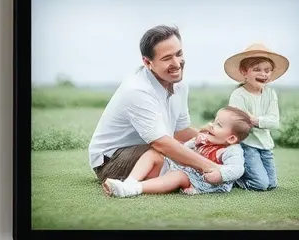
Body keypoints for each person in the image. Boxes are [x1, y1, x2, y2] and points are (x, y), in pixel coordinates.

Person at [88, 25, 218, 186]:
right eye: (167, 58)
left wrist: (215, 141)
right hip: (112, 160)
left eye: (179, 54)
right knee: (168, 156)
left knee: (195, 152)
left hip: (148, 149)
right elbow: (161, 143)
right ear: (147, 62)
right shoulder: (137, 90)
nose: (177, 63)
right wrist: (212, 167)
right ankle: (133, 186)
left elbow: (180, 131)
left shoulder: (180, 85)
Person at [102, 107, 248, 198]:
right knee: (154, 153)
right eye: (214, 121)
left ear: (231, 138)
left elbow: (237, 169)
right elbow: (185, 151)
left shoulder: (232, 151)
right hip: (181, 168)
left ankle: (134, 189)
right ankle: (130, 182)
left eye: (219, 125)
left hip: (201, 181)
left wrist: (220, 175)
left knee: (178, 176)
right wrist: (193, 143)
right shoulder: (205, 140)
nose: (211, 125)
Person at [225, 41, 289, 191]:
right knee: (260, 184)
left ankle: (245, 174)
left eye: (267, 70)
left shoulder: (270, 93)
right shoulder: (238, 95)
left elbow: (274, 122)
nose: (263, 74)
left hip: (265, 145)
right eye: (257, 69)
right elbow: (238, 123)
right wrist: (257, 121)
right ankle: (238, 179)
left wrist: (254, 120)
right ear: (244, 72)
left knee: (272, 184)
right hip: (247, 146)